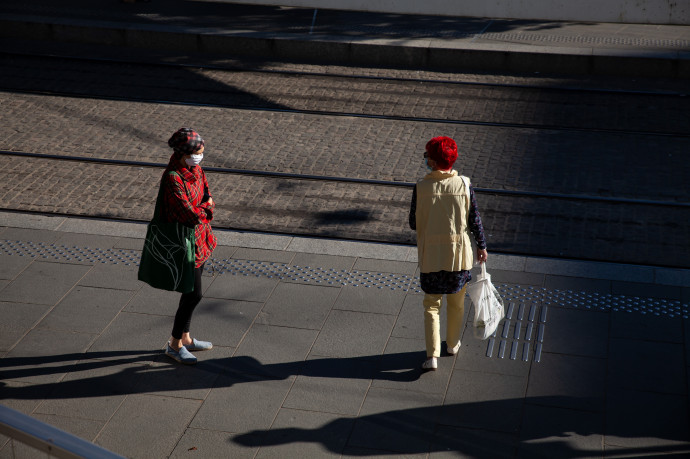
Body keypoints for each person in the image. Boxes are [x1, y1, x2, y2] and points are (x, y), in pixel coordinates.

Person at [409, 136, 488, 371]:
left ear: (433, 162)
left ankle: (432, 356)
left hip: (431, 257)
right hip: (459, 257)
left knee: (432, 305)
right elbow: (474, 220)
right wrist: (481, 246)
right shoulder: (464, 185)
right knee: (456, 303)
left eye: (427, 157)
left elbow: (413, 223)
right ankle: (452, 344)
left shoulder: (421, 188)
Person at [162, 128, 217, 364]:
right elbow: (190, 213)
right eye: (198, 153)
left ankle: (185, 338)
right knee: (194, 294)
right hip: (184, 243)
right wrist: (207, 208)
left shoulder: (196, 169)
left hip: (200, 239)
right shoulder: (174, 177)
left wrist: (205, 206)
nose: (200, 157)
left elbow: (207, 194)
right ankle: (174, 344)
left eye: (202, 153)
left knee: (189, 293)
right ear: (184, 153)